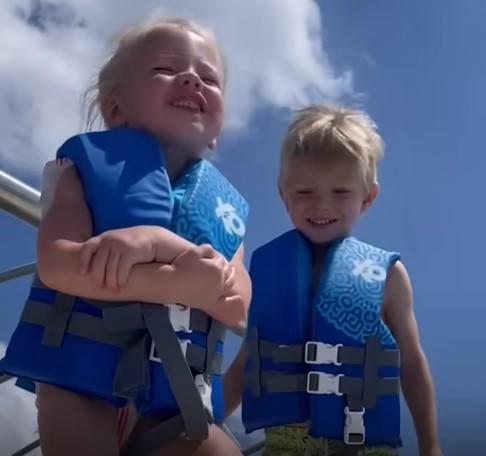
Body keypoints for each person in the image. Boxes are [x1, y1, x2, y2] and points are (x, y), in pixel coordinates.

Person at [0, 16, 251, 456]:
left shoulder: (225, 213)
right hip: (80, 385)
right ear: (115, 109)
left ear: (216, 133)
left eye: (208, 77)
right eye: (165, 69)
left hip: (176, 400)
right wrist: (176, 282)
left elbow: (235, 302)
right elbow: (58, 263)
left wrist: (159, 245)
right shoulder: (84, 169)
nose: (192, 78)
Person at [223, 104, 442, 456]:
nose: (322, 206)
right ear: (283, 194)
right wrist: (207, 420)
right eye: (305, 193)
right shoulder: (269, 275)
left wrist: (431, 447)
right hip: (283, 446)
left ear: (367, 197)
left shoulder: (388, 276)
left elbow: (412, 365)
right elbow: (245, 364)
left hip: (363, 446)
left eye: (340, 193)